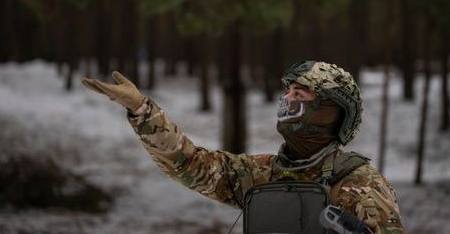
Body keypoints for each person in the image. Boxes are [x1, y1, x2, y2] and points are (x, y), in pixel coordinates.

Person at [83, 60, 405, 233]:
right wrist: (142, 110)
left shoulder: (360, 184)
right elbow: (192, 164)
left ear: (329, 111)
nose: (288, 99)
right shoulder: (264, 174)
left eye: (300, 94)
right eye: (288, 92)